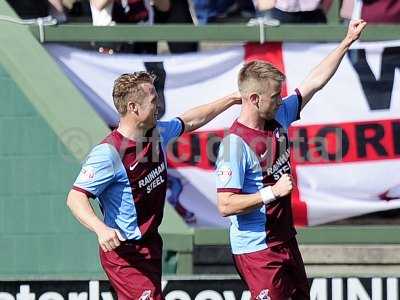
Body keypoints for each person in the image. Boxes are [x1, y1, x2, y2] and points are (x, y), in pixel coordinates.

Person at [215, 19, 367, 300]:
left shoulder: (278, 116)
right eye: (274, 96)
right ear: (254, 99)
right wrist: (271, 192)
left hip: (285, 240)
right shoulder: (234, 146)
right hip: (257, 250)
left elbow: (313, 83)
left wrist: (346, 42)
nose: (280, 100)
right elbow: (225, 205)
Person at [67, 71, 240, 300]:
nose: (158, 104)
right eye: (152, 100)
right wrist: (101, 229)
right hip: (125, 254)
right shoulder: (108, 153)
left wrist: (231, 98)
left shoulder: (156, 134)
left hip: (150, 246)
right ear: (133, 107)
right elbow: (75, 197)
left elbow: (190, 120)